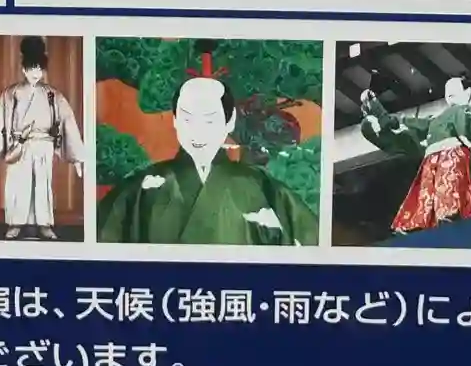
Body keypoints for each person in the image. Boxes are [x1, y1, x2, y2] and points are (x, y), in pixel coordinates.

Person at [98, 75, 317, 246]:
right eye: (187, 119)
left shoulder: (265, 189)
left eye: (209, 121)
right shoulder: (139, 190)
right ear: (175, 120)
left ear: (229, 121)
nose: (197, 132)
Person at [359, 55, 471, 233]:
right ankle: (416, 224)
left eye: (454, 89)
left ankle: (449, 215)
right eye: (447, 90)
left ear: (467, 93)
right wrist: (374, 106)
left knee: (450, 184)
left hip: (456, 155)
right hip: (431, 160)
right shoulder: (432, 121)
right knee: (426, 193)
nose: (449, 92)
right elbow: (401, 126)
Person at [0, 36, 84, 240]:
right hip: (20, 145)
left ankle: (44, 224)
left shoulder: (52, 95)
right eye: (31, 69)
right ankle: (15, 223)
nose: (35, 74)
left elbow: (67, 120)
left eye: (39, 69)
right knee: (18, 184)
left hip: (44, 145)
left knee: (42, 185)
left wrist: (77, 158)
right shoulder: (11, 94)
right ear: (23, 70)